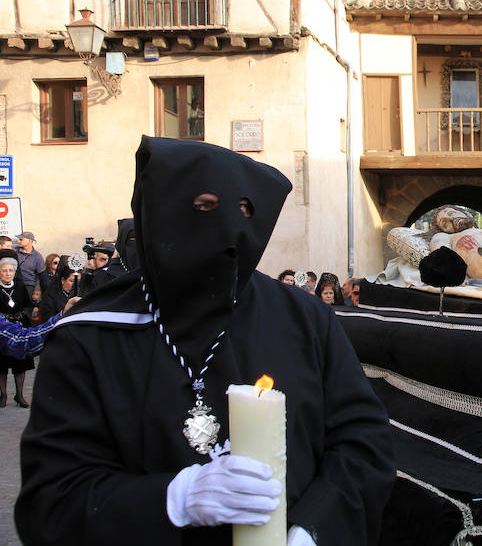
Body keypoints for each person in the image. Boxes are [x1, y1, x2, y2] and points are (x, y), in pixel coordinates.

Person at [17, 136, 394, 545]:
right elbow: (51, 501)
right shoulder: (90, 336)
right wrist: (173, 501)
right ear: (157, 211)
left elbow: (363, 445)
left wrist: (314, 529)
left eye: (245, 210)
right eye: (204, 207)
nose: (229, 227)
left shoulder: (305, 320)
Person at [0, 254, 35, 408]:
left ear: (15, 272)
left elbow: (29, 305)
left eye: (11, 270)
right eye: (4, 271)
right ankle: (3, 395)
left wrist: (22, 314)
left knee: (19, 364)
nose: (8, 273)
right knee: (1, 365)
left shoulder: (20, 285)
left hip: (19, 330)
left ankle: (19, 395)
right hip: (2, 331)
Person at [15, 231, 43, 298]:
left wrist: (37, 289)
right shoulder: (15, 252)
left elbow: (40, 275)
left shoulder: (37, 256)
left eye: (21, 239)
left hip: (29, 286)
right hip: (15, 284)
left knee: (27, 307)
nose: (19, 241)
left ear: (29, 241)